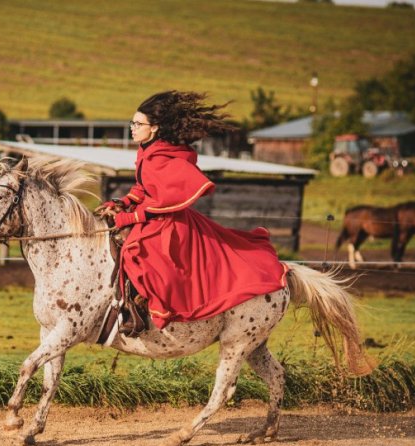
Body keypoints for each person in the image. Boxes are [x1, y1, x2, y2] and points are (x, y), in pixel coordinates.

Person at [95, 90, 288, 332]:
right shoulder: (146, 149)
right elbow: (143, 187)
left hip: (167, 221)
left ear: (154, 128)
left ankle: (141, 311)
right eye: (132, 123)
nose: (132, 128)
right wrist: (122, 201)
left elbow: (163, 202)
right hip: (155, 214)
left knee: (135, 250)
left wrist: (129, 217)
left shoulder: (160, 156)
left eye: (138, 124)